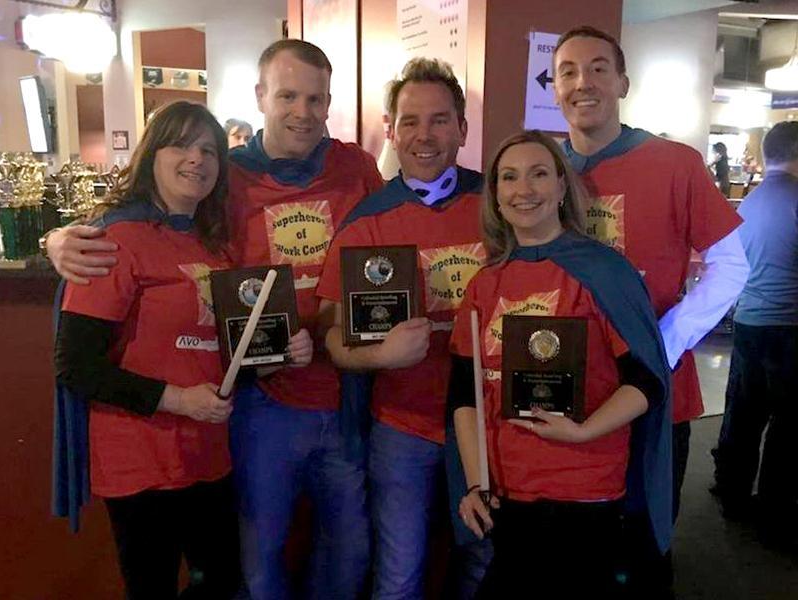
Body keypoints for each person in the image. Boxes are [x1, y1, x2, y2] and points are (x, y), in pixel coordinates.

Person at [46, 39, 383, 600]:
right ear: (260, 97)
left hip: (322, 400)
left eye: (315, 98)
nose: (302, 110)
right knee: (246, 566)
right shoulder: (206, 190)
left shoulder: (352, 171)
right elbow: (77, 356)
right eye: (287, 95)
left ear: (329, 103)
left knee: (337, 554)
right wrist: (60, 237)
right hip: (238, 417)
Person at [552, 25, 749, 592]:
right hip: (569, 387)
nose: (582, 82)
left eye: (597, 68)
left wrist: (664, 339)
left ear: (622, 83)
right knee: (577, 543)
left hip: (655, 391)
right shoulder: (542, 171)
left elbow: (732, 265)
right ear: (555, 87)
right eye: (567, 71)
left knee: (645, 545)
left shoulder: (674, 163)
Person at [450, 129, 671, 597]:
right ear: (495, 195)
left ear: (561, 187)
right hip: (509, 494)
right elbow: (464, 392)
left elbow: (646, 382)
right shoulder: (484, 284)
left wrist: (584, 430)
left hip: (584, 490)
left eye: (538, 174)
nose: (522, 189)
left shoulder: (604, 272)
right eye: (508, 177)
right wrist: (475, 483)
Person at [54, 101, 243, 599]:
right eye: (181, 144)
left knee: (222, 581)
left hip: (208, 454)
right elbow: (76, 366)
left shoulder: (215, 247)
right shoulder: (113, 240)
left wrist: (286, 347)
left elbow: (221, 348)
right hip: (141, 461)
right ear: (151, 154)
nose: (197, 159)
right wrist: (180, 400)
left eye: (209, 150)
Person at [317, 57, 488, 599]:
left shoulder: (502, 206)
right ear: (391, 129)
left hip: (491, 426)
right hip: (403, 428)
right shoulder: (366, 220)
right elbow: (332, 337)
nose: (424, 135)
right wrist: (380, 356)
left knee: (484, 564)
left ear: (462, 129)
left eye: (440, 120)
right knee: (399, 577)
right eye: (410, 121)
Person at [712, 121, 798, 550]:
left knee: (743, 411)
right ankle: (774, 509)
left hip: (749, 321)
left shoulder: (748, 203)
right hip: (788, 326)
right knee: (786, 424)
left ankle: (729, 490)